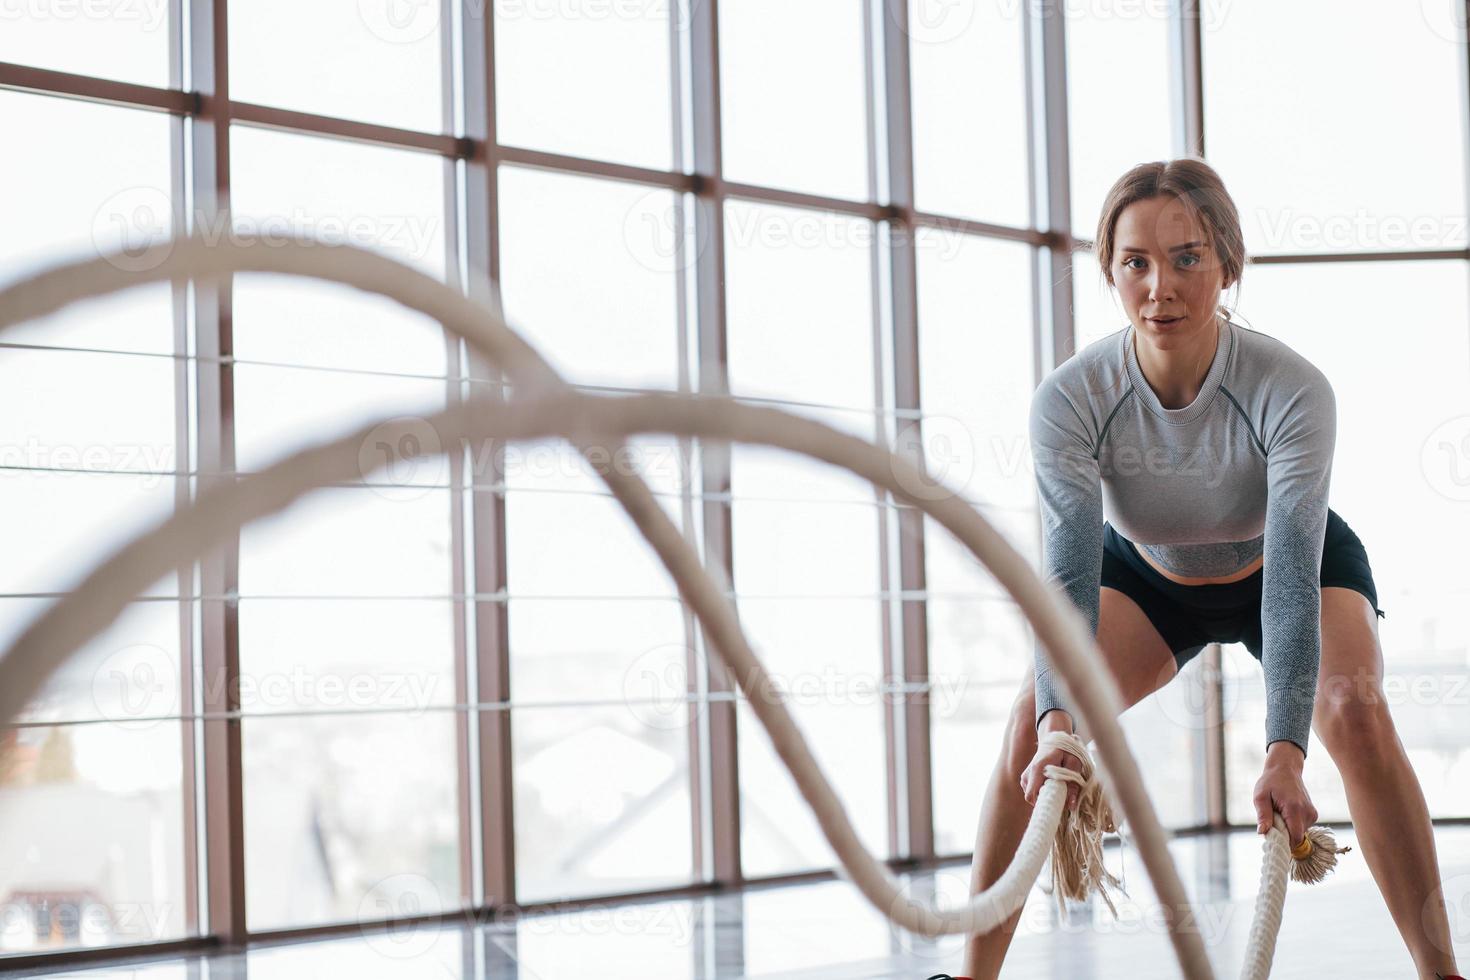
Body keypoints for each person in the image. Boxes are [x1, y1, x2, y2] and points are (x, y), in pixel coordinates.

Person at [942, 159, 1463, 980]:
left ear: (1226, 261)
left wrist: (1285, 751)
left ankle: (1442, 973)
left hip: (1285, 566)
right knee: (1029, 728)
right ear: (1111, 270)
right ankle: (969, 978)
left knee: (1354, 713)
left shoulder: (1290, 389)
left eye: (1187, 258)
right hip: (1147, 580)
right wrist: (1057, 729)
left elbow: (1290, 580)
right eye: (1135, 263)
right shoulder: (1072, 399)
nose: (1161, 287)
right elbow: (1070, 578)